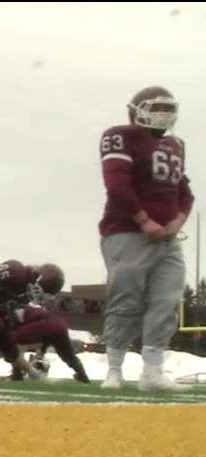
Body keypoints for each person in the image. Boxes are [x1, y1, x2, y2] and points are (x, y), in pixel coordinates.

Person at [98, 86, 193, 391]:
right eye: (157, 108)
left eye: (168, 109)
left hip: (167, 239)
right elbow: (117, 184)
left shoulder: (176, 144)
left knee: (166, 302)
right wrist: (144, 220)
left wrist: (177, 221)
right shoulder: (121, 135)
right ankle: (114, 369)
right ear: (137, 109)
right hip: (127, 232)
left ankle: (152, 370)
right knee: (126, 301)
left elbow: (184, 192)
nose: (164, 115)